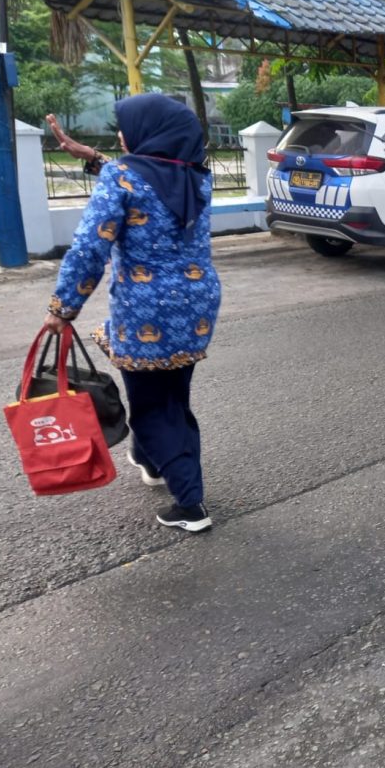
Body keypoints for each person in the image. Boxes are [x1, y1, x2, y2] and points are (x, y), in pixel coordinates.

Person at [43, 95, 222, 532]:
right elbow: (145, 181)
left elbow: (89, 248)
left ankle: (190, 504)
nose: (121, 133)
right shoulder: (196, 177)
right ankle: (152, 459)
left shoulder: (124, 176)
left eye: (125, 125)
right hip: (196, 305)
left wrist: (63, 309)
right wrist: (94, 159)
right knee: (171, 394)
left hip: (146, 312)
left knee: (151, 407)